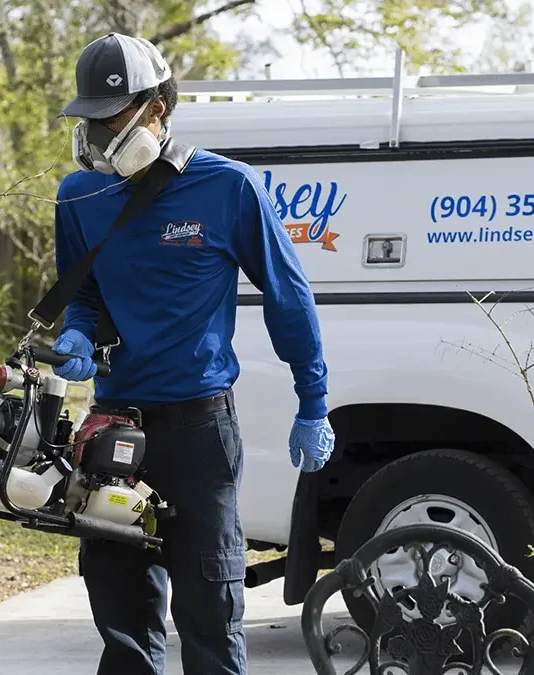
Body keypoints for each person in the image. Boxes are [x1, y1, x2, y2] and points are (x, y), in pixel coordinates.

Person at [47, 32, 334, 675]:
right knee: (123, 621)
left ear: (158, 107)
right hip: (114, 431)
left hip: (200, 433)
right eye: (88, 118)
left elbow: (289, 298)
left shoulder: (227, 188)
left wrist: (313, 402)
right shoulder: (78, 196)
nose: (96, 133)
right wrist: (77, 336)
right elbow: (84, 295)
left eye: (110, 117)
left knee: (210, 617)